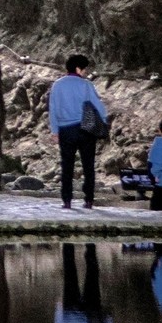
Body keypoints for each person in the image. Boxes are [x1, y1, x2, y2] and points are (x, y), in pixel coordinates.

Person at [48, 54, 108, 209]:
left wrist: (55, 131)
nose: (85, 72)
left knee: (67, 166)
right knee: (88, 165)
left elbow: (52, 109)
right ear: (78, 68)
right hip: (85, 129)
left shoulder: (57, 85)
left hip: (66, 130)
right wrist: (104, 120)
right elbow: (97, 105)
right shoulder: (86, 85)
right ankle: (88, 199)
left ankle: (67, 200)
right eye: (84, 69)